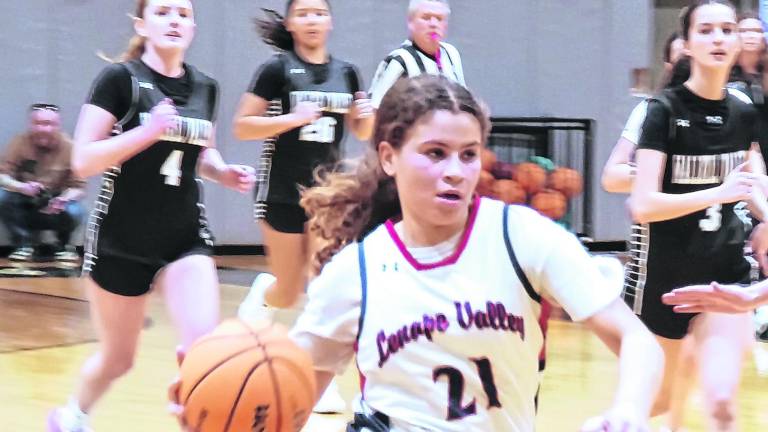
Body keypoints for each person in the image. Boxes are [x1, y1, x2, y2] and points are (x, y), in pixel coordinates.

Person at [290, 75, 660, 431]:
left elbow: (637, 340)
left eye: (468, 155)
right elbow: (287, 401)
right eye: (435, 153)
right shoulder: (356, 271)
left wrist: (628, 412)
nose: (455, 171)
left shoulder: (522, 236)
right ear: (389, 157)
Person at [47, 1, 255, 431]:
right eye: (162, 11)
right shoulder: (119, 80)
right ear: (142, 24)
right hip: (121, 241)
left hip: (184, 238)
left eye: (182, 12)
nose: (174, 19)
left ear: (194, 27)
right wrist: (145, 132)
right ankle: (72, 418)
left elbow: (201, 153)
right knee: (119, 360)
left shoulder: (205, 87)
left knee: (203, 351)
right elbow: (83, 161)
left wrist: (224, 172)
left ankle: (199, 419)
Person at [626, 1, 762, 430]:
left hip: (726, 273)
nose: (718, 38)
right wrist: (716, 192)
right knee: (657, 401)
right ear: (686, 44)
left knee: (721, 403)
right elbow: (642, 204)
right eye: (706, 30)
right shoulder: (663, 110)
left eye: (727, 29)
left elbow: (754, 182)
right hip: (666, 278)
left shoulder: (747, 110)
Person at [233, 0, 374, 413]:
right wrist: (291, 119)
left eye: (319, 12)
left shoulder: (346, 72)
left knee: (324, 285)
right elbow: (243, 126)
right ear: (291, 23)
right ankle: (264, 293)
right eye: (304, 13)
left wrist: (366, 116)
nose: (312, 20)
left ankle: (317, 378)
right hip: (280, 190)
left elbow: (361, 130)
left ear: (330, 21)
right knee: (288, 290)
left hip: (328, 194)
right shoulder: (276, 70)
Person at [601, 31, 686, 194]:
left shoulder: (736, 105)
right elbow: (611, 177)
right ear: (669, 66)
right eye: (683, 58)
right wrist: (658, 172)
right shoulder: (652, 109)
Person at [0, 103, 86, 262]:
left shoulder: (70, 147)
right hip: (25, 199)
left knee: (77, 211)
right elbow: (2, 176)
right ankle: (23, 244)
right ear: (30, 124)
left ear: (57, 125)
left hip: (56, 202)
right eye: (38, 123)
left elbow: (79, 187)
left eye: (48, 124)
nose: (43, 129)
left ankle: (62, 246)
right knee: (1, 197)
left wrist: (64, 199)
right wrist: (21, 187)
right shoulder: (19, 142)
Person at [368, 0, 465, 109]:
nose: (433, 24)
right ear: (411, 22)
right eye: (426, 17)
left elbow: (464, 100)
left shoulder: (451, 53)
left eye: (439, 19)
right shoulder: (400, 61)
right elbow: (374, 110)